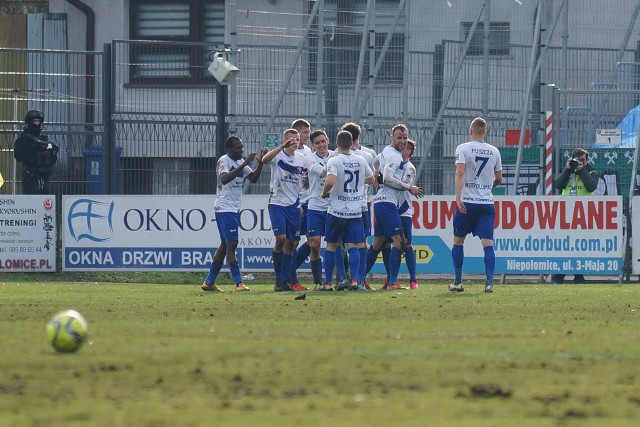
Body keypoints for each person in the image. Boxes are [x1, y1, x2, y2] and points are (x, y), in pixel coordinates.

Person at [202, 137, 268, 292]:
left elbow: (253, 179)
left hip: (233, 208)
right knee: (232, 243)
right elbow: (224, 179)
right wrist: (245, 164)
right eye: (238, 148)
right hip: (224, 208)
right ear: (229, 149)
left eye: (242, 147)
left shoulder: (239, 162)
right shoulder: (224, 161)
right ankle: (239, 282)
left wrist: (260, 163)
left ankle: (209, 282)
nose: (242, 150)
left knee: (225, 245)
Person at [364, 124, 423, 290]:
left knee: (378, 243)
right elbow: (389, 178)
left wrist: (376, 173)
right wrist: (408, 187)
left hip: (383, 202)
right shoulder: (395, 156)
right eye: (399, 138)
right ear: (391, 137)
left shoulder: (386, 152)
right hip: (387, 204)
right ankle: (392, 282)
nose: (403, 141)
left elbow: (376, 163)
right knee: (400, 242)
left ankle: (359, 278)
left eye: (405, 138)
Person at [450, 117, 502, 293]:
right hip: (486, 204)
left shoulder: (463, 148)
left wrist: (458, 198)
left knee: (458, 241)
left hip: (468, 203)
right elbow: (499, 179)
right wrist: (487, 187)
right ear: (485, 132)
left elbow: (460, 173)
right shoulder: (494, 151)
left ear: (470, 131)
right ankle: (489, 283)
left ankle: (458, 282)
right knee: (488, 244)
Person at [321, 130, 375, 291]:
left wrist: (325, 192)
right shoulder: (360, 159)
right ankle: (354, 281)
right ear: (352, 144)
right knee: (354, 246)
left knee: (331, 246)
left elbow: (330, 181)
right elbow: (372, 179)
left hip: (337, 210)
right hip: (355, 210)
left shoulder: (334, 160)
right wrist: (358, 183)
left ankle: (329, 283)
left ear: (336, 144)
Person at [262, 129, 307, 292]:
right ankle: (278, 278)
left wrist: (301, 203)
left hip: (294, 206)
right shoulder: (278, 155)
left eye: (296, 139)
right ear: (285, 140)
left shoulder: (302, 159)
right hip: (277, 203)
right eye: (291, 139)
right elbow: (264, 160)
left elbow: (304, 183)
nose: (294, 141)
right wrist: (281, 147)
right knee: (280, 239)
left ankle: (284, 280)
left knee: (292, 243)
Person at [551, 148, 599, 284]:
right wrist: (567, 169)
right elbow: (559, 185)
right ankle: (559, 275)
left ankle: (579, 276)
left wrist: (581, 169)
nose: (580, 162)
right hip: (566, 213)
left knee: (580, 245)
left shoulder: (591, 171)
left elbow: (591, 186)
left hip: (584, 213)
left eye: (583, 160)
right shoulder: (569, 171)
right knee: (564, 245)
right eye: (578, 160)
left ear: (587, 160)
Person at [341, 122, 376, 290]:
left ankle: (344, 278)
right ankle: (360, 280)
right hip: (363, 204)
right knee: (361, 243)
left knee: (339, 244)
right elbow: (373, 179)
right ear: (358, 137)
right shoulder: (368, 155)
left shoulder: (336, 155)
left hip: (341, 205)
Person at [289, 119, 313, 290]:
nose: (308, 135)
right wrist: (297, 202)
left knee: (313, 241)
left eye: (308, 131)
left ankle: (287, 273)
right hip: (295, 203)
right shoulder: (289, 153)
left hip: (309, 201)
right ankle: (292, 279)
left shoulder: (307, 151)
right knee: (294, 242)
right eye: (305, 132)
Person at [13, 109, 59, 194]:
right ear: (29, 122)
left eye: (38, 121)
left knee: (45, 200)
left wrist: (52, 149)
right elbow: (18, 155)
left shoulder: (43, 139)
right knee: (32, 200)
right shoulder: (25, 138)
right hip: (32, 175)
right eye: (34, 121)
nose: (37, 123)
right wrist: (33, 148)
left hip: (45, 175)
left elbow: (53, 157)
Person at [398, 139, 419, 290]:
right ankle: (391, 280)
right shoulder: (392, 161)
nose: (404, 149)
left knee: (407, 244)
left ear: (410, 152)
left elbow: (402, 185)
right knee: (389, 245)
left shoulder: (409, 168)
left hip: (403, 210)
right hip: (389, 208)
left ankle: (413, 280)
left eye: (407, 148)